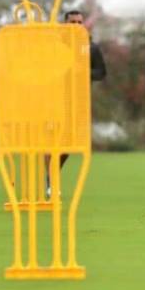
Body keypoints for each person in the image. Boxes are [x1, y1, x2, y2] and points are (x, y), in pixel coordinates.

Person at [44, 10, 106, 197]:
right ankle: (51, 182)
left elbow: (101, 72)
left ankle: (52, 174)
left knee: (70, 144)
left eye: (80, 22)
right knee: (53, 140)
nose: (77, 26)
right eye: (73, 22)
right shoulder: (56, 46)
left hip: (79, 102)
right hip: (55, 99)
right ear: (65, 24)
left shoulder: (91, 47)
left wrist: (83, 71)